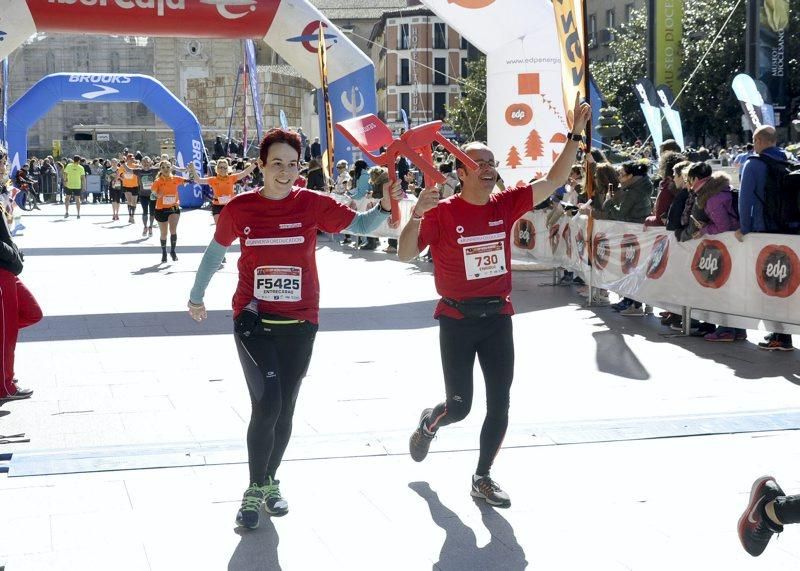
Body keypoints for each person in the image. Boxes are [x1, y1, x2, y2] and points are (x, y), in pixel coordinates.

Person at [186, 128, 401, 529]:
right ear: (262, 166)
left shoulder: (312, 204)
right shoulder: (240, 207)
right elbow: (215, 252)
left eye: (292, 164)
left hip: (301, 322)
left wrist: (387, 207)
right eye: (277, 164)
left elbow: (363, 225)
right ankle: (254, 490)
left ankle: (269, 482)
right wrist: (196, 296)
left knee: (285, 406)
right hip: (253, 321)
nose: (285, 172)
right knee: (267, 401)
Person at [398, 96, 591, 508]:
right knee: (460, 407)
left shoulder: (504, 204)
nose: (490, 169)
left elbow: (554, 179)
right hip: (456, 318)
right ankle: (430, 423)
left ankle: (482, 476)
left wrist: (574, 134)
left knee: (500, 402)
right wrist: (415, 215)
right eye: (480, 164)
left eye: (492, 163)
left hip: (497, 315)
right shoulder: (442, 212)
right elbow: (404, 253)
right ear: (460, 172)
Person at [736, 126, 795, 350]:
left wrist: (745, 228)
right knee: (787, 281)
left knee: (770, 283)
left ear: (759, 140)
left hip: (765, 230)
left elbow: (745, 200)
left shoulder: (754, 164)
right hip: (789, 228)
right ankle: (784, 334)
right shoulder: (789, 161)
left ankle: (779, 335)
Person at [0, 159, 43, 400]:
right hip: (2, 269)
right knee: (6, 331)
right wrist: (12, 254)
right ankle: (4, 385)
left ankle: (3, 371)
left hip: (8, 269)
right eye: (2, 162)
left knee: (31, 312)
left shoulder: (3, 191)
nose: (5, 167)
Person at [191, 158, 256, 225]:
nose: (223, 169)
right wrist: (193, 169)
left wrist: (256, 163)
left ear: (227, 169)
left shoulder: (232, 178)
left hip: (229, 206)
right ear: (217, 169)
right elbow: (198, 180)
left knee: (229, 227)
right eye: (221, 167)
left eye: (225, 167)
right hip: (217, 206)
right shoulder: (213, 180)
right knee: (219, 227)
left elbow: (245, 173)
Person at [150, 160, 186, 263]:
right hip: (160, 209)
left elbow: (191, 180)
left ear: (171, 168)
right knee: (164, 233)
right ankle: (164, 252)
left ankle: (173, 251)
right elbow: (152, 196)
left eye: (168, 167)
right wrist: (157, 195)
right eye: (163, 167)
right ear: (160, 170)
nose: (166, 169)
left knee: (173, 230)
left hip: (173, 207)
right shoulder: (157, 181)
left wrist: (191, 170)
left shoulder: (176, 179)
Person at [119, 154, 140, 224]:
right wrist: (123, 178)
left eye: (133, 158)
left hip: (135, 186)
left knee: (134, 202)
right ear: (127, 159)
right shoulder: (122, 166)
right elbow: (120, 175)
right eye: (130, 158)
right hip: (126, 186)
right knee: (129, 201)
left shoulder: (136, 166)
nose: (132, 160)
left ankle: (132, 216)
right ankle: (130, 216)